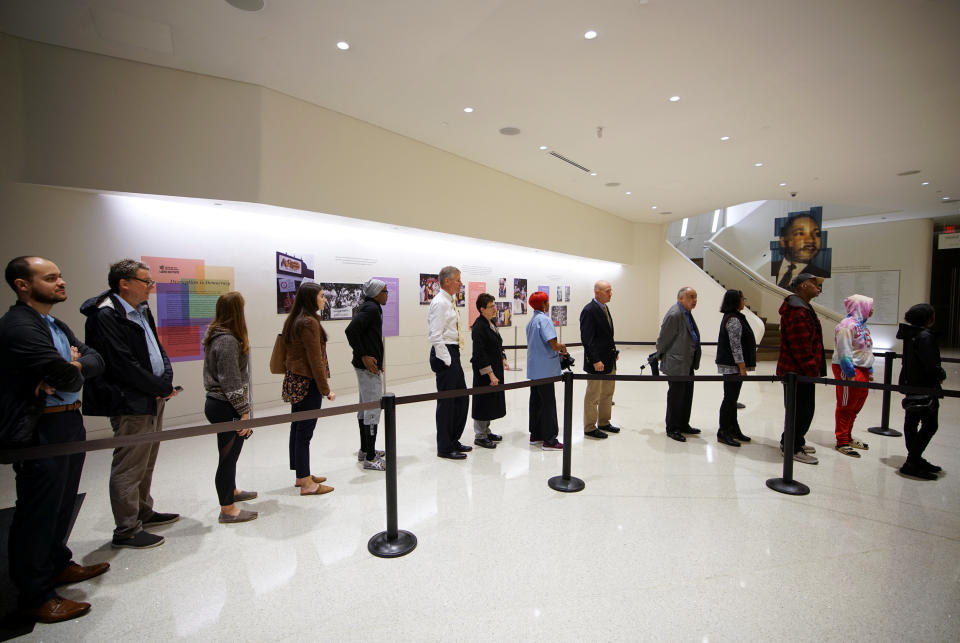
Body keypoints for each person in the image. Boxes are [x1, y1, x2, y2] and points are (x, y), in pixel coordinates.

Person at [0, 257, 108, 623]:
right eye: (50, 278)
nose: (61, 282)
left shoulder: (53, 323)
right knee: (37, 512)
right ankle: (36, 594)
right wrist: (74, 367)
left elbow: (96, 360)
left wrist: (76, 365)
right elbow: (66, 374)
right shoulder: (18, 326)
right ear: (22, 285)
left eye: (60, 275)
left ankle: (58, 564)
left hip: (67, 422)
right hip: (40, 429)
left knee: (61, 504)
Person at [81, 259, 179, 549]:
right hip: (130, 400)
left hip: (153, 396)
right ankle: (126, 528)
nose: (151, 287)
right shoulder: (105, 316)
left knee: (146, 460)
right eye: (145, 281)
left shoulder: (142, 311)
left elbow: (156, 349)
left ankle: (143, 511)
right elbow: (122, 364)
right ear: (124, 283)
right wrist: (159, 386)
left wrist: (166, 379)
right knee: (130, 464)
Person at [269, 281, 335, 494]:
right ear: (311, 298)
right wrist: (326, 389)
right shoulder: (309, 322)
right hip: (307, 384)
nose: (325, 299)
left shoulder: (296, 319)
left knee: (297, 429)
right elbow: (315, 360)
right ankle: (307, 484)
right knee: (304, 432)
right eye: (322, 296)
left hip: (296, 381)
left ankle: (302, 475)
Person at [202, 291, 258, 523]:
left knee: (230, 456)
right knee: (227, 458)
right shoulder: (226, 340)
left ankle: (232, 491)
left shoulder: (221, 336)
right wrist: (244, 411)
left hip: (223, 404)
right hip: (225, 405)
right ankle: (227, 508)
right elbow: (230, 380)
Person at [776, 273, 826, 464]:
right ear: (804, 286)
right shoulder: (797, 311)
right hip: (797, 372)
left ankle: (794, 440)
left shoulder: (802, 307)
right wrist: (812, 369)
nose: (818, 288)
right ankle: (792, 447)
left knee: (802, 409)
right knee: (800, 411)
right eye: (815, 284)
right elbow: (801, 346)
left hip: (801, 371)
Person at [896, 303, 946, 480]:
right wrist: (940, 374)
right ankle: (912, 460)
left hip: (912, 383)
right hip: (924, 385)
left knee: (912, 421)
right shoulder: (924, 336)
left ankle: (915, 458)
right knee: (930, 424)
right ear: (928, 319)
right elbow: (931, 364)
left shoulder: (911, 334)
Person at [427, 265, 472, 460]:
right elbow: (435, 335)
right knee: (447, 403)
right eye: (458, 280)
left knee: (461, 399)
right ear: (447, 281)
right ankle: (444, 447)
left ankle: (453, 439)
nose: (461, 283)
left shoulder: (449, 301)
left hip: (452, 352)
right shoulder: (440, 303)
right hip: (445, 352)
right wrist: (447, 360)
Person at [344, 279, 388, 471]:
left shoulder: (372, 307)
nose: (387, 294)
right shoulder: (371, 308)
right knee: (372, 411)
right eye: (385, 291)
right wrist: (364, 355)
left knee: (365, 408)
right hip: (367, 369)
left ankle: (365, 449)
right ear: (376, 293)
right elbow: (351, 330)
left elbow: (370, 337)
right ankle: (370, 457)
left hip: (369, 367)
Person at [656, 287, 702, 442]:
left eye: (695, 297)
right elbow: (663, 338)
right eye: (691, 297)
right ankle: (673, 428)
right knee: (676, 396)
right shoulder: (675, 314)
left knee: (687, 394)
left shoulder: (686, 313)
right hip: (677, 363)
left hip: (687, 362)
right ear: (681, 298)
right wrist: (660, 354)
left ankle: (683, 424)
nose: (694, 300)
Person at [831, 294, 874, 458]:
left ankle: (848, 436)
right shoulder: (846, 326)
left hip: (861, 368)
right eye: (869, 306)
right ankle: (841, 439)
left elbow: (865, 349)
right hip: (849, 369)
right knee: (846, 404)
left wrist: (869, 369)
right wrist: (849, 371)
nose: (872, 310)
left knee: (856, 404)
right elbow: (844, 350)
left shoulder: (861, 326)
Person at [715, 289, 756, 447]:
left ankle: (733, 428)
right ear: (735, 301)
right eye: (742, 299)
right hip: (732, 367)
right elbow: (735, 346)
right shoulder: (733, 319)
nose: (744, 301)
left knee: (732, 399)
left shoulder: (737, 317)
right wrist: (742, 367)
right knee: (730, 399)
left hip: (734, 366)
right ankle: (723, 431)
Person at [526, 290, 566, 450]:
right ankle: (550, 439)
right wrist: (562, 347)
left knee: (536, 402)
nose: (549, 304)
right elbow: (554, 345)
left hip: (535, 369)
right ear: (543, 304)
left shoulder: (531, 321)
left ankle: (535, 434)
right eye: (547, 301)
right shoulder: (545, 320)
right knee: (548, 403)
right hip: (546, 370)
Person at [580, 280, 619, 440]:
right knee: (593, 395)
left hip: (609, 360)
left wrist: (613, 351)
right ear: (597, 292)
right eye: (608, 291)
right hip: (597, 363)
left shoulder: (604, 308)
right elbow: (587, 339)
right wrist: (595, 360)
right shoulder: (589, 310)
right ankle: (589, 427)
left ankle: (604, 422)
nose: (611, 294)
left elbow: (606, 335)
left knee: (607, 393)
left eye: (610, 291)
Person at [470, 293, 508, 449]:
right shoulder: (478, 327)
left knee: (490, 401)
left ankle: (486, 430)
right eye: (491, 306)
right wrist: (490, 374)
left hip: (495, 367)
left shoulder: (491, 323)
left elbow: (498, 344)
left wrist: (503, 358)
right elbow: (479, 354)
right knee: (482, 401)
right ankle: (480, 435)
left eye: (494, 305)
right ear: (482, 309)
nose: (495, 308)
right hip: (484, 371)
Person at [772, 213, 830, 288]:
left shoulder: (822, 275)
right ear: (783, 241)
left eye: (817, 234)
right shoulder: (771, 269)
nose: (810, 240)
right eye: (800, 233)